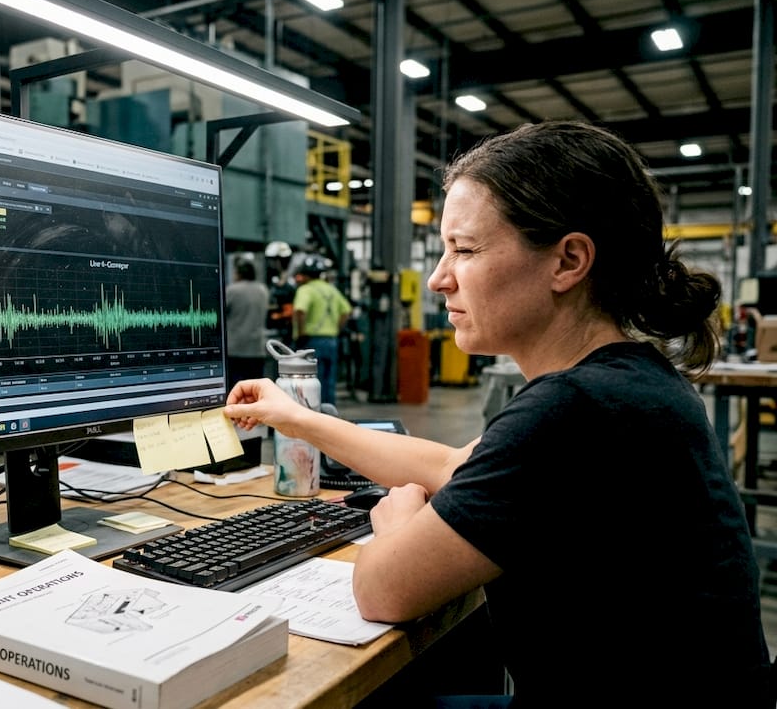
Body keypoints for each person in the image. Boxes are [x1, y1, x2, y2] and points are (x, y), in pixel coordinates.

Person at [224, 121, 772, 707]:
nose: (438, 277)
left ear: (568, 261)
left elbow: (380, 590)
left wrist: (396, 519)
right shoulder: (625, 381)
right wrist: (296, 417)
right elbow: (448, 462)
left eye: (464, 249)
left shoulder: (574, 409)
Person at [291, 257, 350, 406]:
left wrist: (301, 332)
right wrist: (337, 328)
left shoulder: (306, 289)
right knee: (329, 380)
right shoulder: (331, 289)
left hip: (311, 341)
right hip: (331, 341)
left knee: (311, 381)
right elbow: (346, 311)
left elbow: (300, 310)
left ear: (305, 275)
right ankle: (329, 414)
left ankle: (314, 413)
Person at [224, 258, 270, 389]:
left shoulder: (232, 290)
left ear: (238, 273)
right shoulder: (262, 290)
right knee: (254, 392)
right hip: (256, 350)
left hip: (235, 350)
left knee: (235, 391)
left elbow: (221, 313)